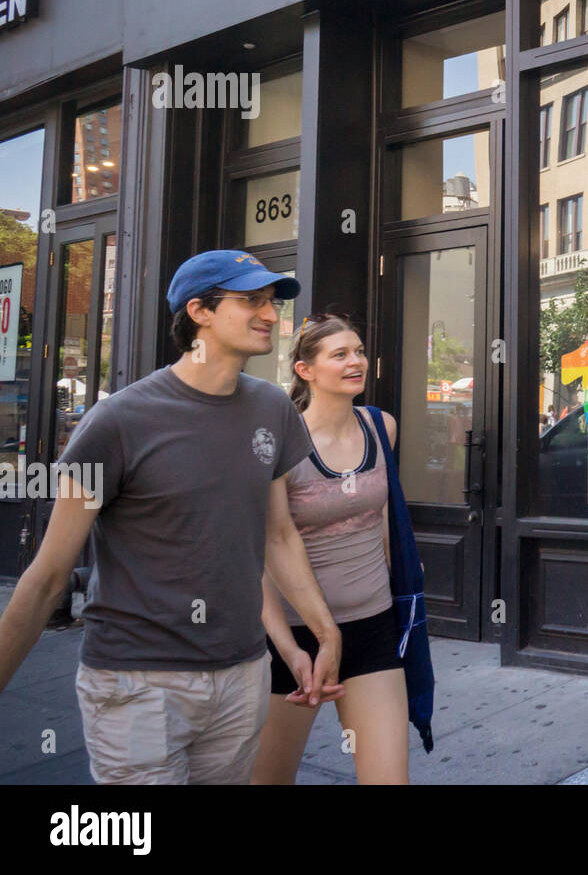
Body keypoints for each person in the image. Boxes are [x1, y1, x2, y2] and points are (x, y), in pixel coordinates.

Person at [0, 250, 344, 784]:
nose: (271, 315)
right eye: (251, 301)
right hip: (138, 683)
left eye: (271, 302)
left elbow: (277, 535)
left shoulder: (272, 409)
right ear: (200, 311)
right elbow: (47, 577)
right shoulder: (114, 423)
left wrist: (321, 635)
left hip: (242, 673)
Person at [252, 314, 409, 785]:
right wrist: (286, 646)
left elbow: (381, 516)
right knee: (268, 780)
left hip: (373, 627)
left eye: (358, 351)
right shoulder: (279, 444)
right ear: (306, 370)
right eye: (339, 354)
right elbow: (262, 554)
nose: (355, 361)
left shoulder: (382, 427)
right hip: (293, 640)